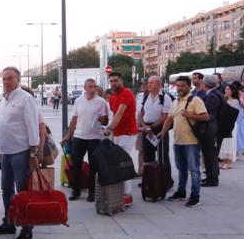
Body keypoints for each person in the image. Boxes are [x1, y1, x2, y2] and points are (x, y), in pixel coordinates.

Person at [0, 67, 41, 239]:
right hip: (5, 152)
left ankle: (27, 229)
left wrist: (34, 153)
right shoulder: (3, 100)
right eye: (3, 79)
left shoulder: (26, 99)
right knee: (6, 189)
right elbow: (1, 126)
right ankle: (9, 221)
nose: (6, 82)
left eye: (9, 78)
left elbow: (33, 128)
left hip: (21, 152)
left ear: (18, 80)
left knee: (23, 191)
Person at [159, 76, 208, 207]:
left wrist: (189, 115)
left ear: (189, 87)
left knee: (194, 169)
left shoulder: (195, 100)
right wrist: (163, 132)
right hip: (178, 141)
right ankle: (181, 192)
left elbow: (205, 116)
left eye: (182, 86)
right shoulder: (176, 101)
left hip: (191, 141)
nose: (180, 88)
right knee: (181, 169)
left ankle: (195, 196)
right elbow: (169, 119)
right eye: (178, 85)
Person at [61, 78, 109, 202]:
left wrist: (101, 119)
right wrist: (68, 135)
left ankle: (92, 192)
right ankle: (76, 190)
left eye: (94, 86)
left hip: (95, 137)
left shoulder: (101, 102)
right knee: (76, 164)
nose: (93, 89)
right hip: (79, 136)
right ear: (85, 88)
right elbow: (74, 119)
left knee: (94, 165)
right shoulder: (78, 101)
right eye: (90, 87)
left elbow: (105, 120)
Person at [104, 72, 139, 205]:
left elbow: (119, 113)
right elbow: (113, 116)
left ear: (121, 81)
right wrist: (108, 127)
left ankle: (127, 194)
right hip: (117, 134)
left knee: (123, 162)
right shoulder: (113, 97)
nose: (113, 83)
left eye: (115, 81)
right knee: (118, 163)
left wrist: (109, 129)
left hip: (128, 133)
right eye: (111, 81)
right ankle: (121, 192)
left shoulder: (127, 93)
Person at [137, 76, 174, 175]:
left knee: (162, 156)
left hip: (159, 129)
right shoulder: (145, 96)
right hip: (146, 129)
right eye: (148, 82)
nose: (148, 85)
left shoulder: (165, 97)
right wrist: (144, 126)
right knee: (148, 156)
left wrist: (152, 127)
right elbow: (140, 113)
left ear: (158, 84)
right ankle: (149, 181)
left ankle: (166, 180)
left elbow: (165, 116)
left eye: (151, 82)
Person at [195, 74, 224, 187]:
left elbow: (206, 112)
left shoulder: (212, 95)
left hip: (211, 128)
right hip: (214, 127)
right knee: (210, 154)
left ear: (204, 84)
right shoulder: (217, 93)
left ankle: (212, 178)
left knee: (209, 154)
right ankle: (210, 176)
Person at [218, 84, 240, 170]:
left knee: (230, 142)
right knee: (224, 143)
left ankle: (230, 161)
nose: (226, 91)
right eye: (226, 89)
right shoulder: (224, 99)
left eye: (228, 89)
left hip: (231, 123)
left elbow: (232, 112)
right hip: (224, 123)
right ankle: (224, 160)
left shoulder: (235, 101)